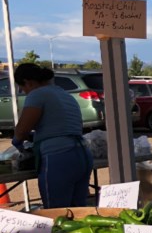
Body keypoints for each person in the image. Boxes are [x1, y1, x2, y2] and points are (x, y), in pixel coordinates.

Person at [12, 63, 93, 207]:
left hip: (59, 158)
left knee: (56, 213)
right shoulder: (64, 94)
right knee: (79, 212)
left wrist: (17, 142)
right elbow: (61, 126)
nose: (24, 92)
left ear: (28, 82)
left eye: (23, 88)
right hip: (82, 155)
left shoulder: (37, 94)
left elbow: (21, 131)